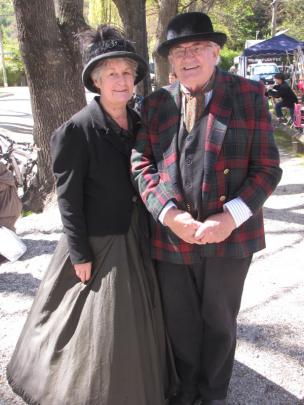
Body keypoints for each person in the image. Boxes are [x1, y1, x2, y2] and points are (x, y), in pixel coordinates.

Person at [7, 25, 173, 405]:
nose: (121, 80)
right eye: (112, 74)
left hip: (138, 234)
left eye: (127, 73)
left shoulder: (141, 123)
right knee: (101, 327)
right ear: (97, 81)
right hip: (99, 242)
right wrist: (80, 254)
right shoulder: (74, 131)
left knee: (141, 316)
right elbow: (68, 200)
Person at [131, 12, 282, 405]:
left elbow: (268, 167)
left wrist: (230, 215)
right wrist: (168, 214)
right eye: (179, 51)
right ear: (170, 60)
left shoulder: (249, 95)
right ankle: (185, 389)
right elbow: (141, 164)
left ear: (216, 52)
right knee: (179, 321)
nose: (188, 57)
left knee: (219, 321)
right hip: (172, 234)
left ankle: (214, 392)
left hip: (230, 236)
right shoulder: (154, 104)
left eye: (197, 48)